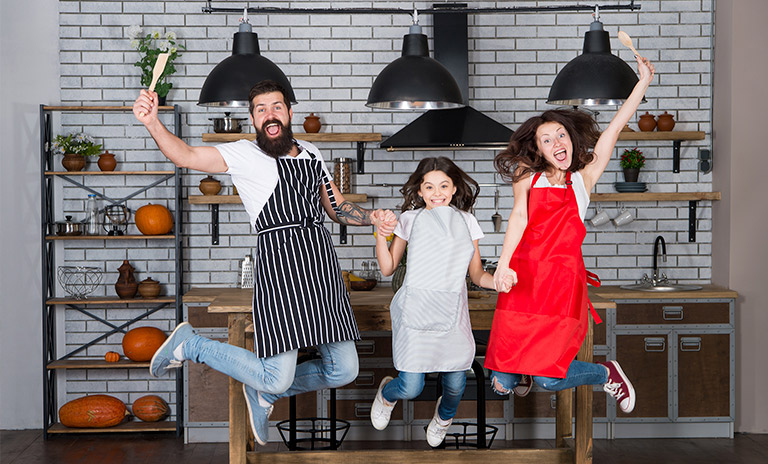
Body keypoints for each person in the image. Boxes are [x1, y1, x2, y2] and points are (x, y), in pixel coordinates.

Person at [132, 80, 397, 445]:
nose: (269, 114)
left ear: (289, 112)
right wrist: (153, 123)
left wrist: (371, 218)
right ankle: (191, 344)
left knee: (345, 369)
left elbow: (336, 208)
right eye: (260, 109)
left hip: (321, 267)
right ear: (254, 119)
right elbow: (186, 156)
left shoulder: (310, 155)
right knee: (276, 375)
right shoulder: (244, 154)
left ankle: (264, 394)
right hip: (281, 267)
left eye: (276, 106)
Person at [486, 56, 656, 414]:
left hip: (561, 285)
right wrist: (502, 266)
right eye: (547, 140)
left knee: (550, 378)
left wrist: (642, 83)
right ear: (540, 149)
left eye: (560, 135)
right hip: (522, 280)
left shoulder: (583, 179)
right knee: (502, 382)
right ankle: (527, 371)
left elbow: (614, 129)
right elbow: (518, 217)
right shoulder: (526, 177)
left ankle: (605, 373)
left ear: (570, 138)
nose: (556, 143)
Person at [370, 157, 497, 446]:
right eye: (429, 187)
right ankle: (388, 395)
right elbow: (388, 267)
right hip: (416, 309)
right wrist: (381, 235)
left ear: (454, 189)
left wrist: (499, 281)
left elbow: (477, 274)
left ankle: (443, 417)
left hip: (452, 312)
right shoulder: (410, 220)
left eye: (443, 186)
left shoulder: (467, 221)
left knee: (455, 384)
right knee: (411, 386)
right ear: (420, 191)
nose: (436, 192)